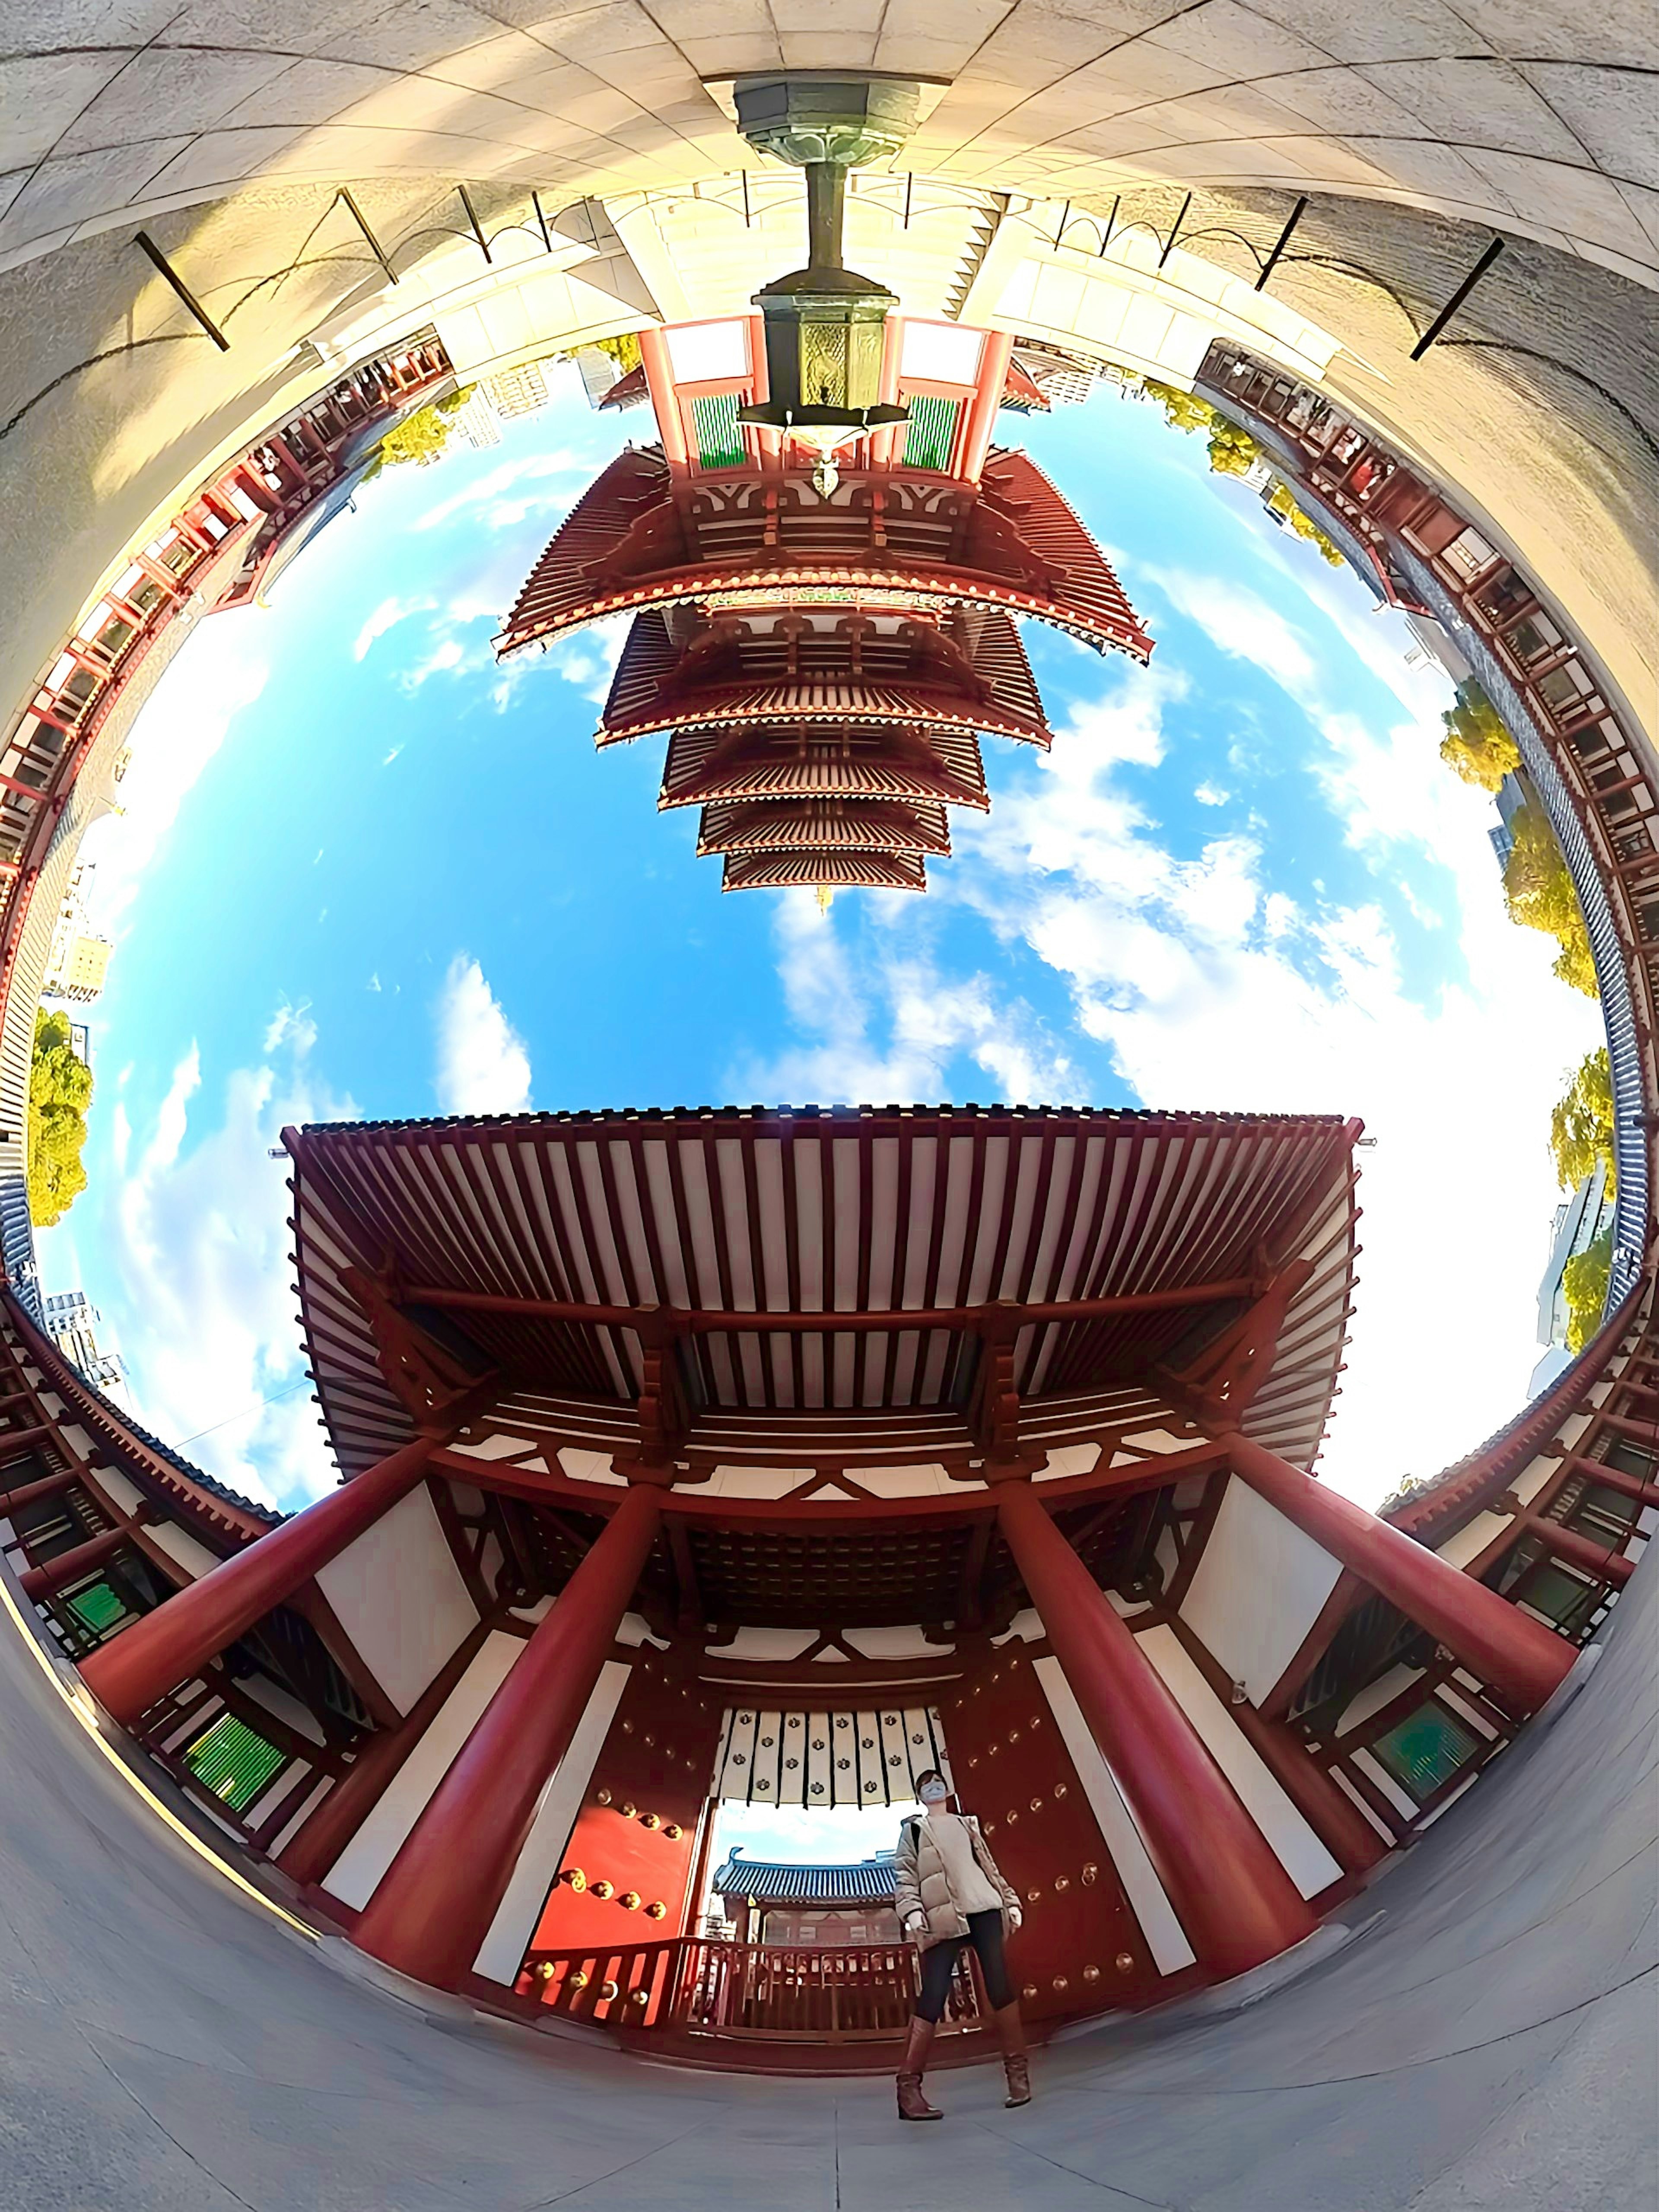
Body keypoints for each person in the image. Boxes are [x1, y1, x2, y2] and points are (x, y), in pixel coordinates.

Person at [891, 1767, 1030, 2120]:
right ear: (919, 1796)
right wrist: (912, 1912)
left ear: (947, 1788)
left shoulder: (968, 1825)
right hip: (942, 1918)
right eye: (925, 1786)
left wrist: (1010, 1901)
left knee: (999, 1986)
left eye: (937, 1782)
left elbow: (989, 1868)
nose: (933, 1788)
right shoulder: (914, 1830)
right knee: (934, 1994)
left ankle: (1018, 2075)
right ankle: (909, 2088)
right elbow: (905, 1875)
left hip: (984, 1908)